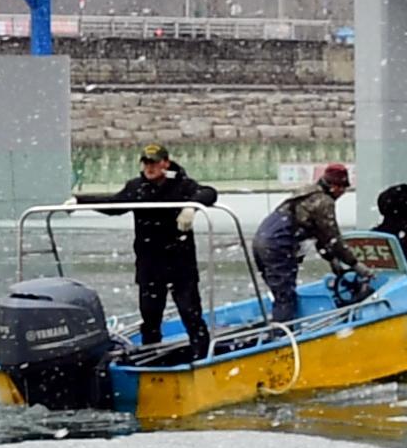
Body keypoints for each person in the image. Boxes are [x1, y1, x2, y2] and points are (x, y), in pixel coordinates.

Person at [88, 145, 218, 357]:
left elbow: (209, 193)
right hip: (150, 265)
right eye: (146, 163)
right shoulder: (137, 188)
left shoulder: (182, 185)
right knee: (150, 317)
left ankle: (202, 356)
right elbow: (113, 205)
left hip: (180, 264)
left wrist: (191, 206)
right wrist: (79, 201)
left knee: (190, 314)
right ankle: (150, 358)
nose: (150, 168)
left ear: (165, 163)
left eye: (154, 163)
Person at [250, 162, 358, 325]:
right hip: (278, 245)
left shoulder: (306, 192)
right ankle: (282, 338)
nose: (343, 192)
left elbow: (319, 234)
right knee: (285, 296)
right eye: (342, 187)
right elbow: (332, 237)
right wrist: (355, 264)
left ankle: (278, 324)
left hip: (261, 240)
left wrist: (332, 259)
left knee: (279, 292)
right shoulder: (324, 202)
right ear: (335, 186)